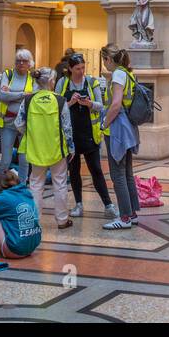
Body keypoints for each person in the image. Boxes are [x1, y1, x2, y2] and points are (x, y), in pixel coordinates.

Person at [58, 53, 115, 218]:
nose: (81, 71)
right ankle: (78, 204)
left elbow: (101, 105)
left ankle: (108, 205)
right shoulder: (62, 83)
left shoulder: (92, 82)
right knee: (74, 171)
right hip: (70, 134)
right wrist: (70, 103)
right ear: (70, 68)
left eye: (83, 67)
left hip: (89, 134)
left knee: (96, 169)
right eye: (77, 68)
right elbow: (57, 106)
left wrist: (89, 104)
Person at [16, 67, 73, 230]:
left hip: (36, 148)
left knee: (35, 184)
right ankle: (62, 220)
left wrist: (31, 132)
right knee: (60, 183)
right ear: (50, 82)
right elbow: (67, 127)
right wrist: (71, 147)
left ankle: (34, 221)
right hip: (57, 149)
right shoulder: (60, 100)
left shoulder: (28, 100)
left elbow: (18, 124)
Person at [100, 45, 141, 230]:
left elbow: (115, 104)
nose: (104, 65)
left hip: (117, 127)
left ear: (108, 59)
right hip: (128, 127)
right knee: (127, 173)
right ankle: (131, 213)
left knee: (118, 174)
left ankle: (124, 217)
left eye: (104, 61)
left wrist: (104, 124)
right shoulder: (128, 73)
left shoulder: (117, 74)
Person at [0, 49, 37, 181]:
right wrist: (23, 94)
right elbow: (3, 96)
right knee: (6, 160)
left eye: (24, 61)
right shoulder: (8, 74)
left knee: (24, 160)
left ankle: (22, 187)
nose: (21, 63)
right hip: (8, 122)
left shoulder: (32, 78)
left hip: (25, 124)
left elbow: (33, 98)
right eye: (18, 61)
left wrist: (12, 93)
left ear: (30, 64)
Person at [0, 170, 42, 259]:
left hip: (14, 250)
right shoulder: (26, 193)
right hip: (32, 247)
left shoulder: (3, 198)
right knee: (6, 213)